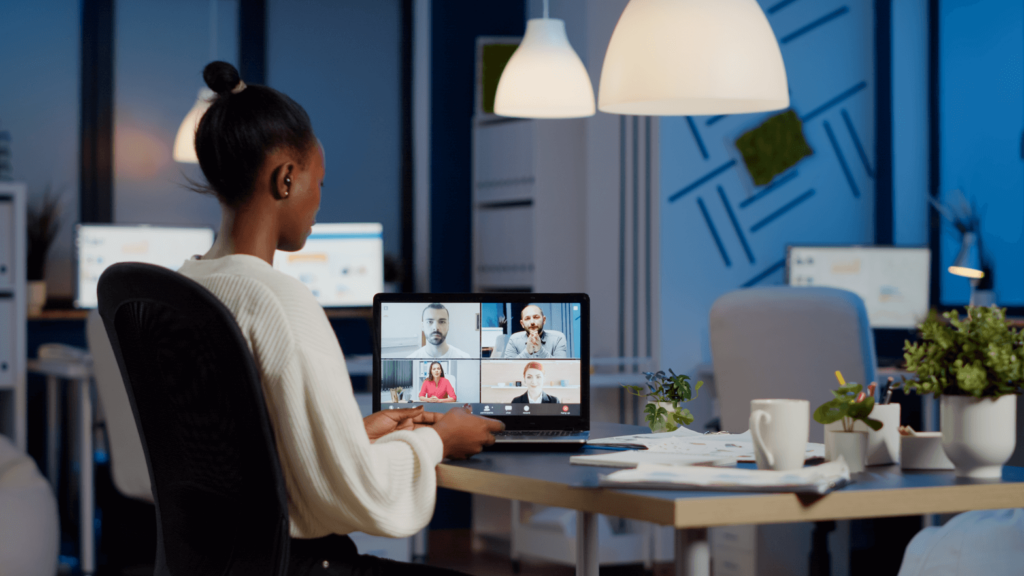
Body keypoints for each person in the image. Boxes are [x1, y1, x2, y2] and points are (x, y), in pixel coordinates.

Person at [176, 61, 502, 575]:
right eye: (320, 184)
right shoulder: (278, 301)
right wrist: (439, 439)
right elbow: (359, 492)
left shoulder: (187, 285)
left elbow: (243, 452)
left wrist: (352, 433)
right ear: (286, 178)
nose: (319, 203)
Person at [406, 303, 472, 358]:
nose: (436, 327)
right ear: (422, 326)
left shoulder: (464, 357)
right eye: (430, 322)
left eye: (442, 322)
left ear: (448, 325)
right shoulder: (411, 358)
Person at [503, 305, 568, 359]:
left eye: (536, 317)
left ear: (544, 320)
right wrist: (527, 352)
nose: (532, 322)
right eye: (527, 318)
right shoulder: (514, 339)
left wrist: (540, 350)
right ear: (522, 324)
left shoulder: (558, 338)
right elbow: (509, 366)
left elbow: (560, 366)